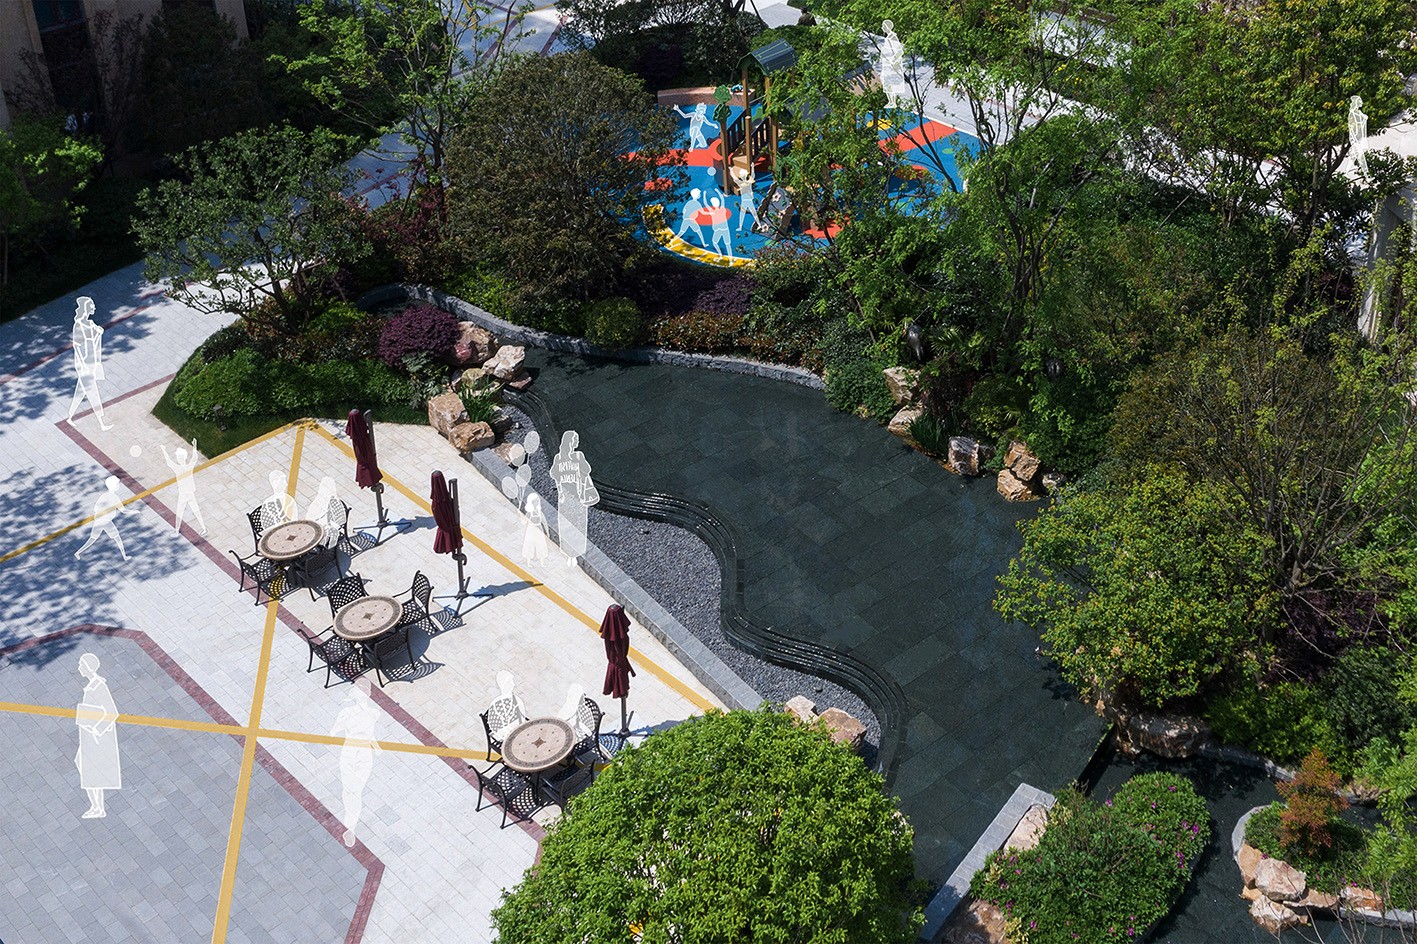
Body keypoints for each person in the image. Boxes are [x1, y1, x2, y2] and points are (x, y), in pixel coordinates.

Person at [330, 678, 382, 848]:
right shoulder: (346, 712)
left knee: (356, 790)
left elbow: (371, 734)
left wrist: (377, 748)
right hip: (349, 752)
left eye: (363, 690)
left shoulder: (374, 713)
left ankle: (350, 827)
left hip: (365, 753)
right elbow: (334, 731)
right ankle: (349, 824)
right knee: (348, 790)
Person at [75, 654, 121, 819]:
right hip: (89, 734)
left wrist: (97, 730)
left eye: (81, 665)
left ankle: (98, 807)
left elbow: (112, 712)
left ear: (88, 667)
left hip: (96, 737)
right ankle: (96, 806)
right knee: (84, 765)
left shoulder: (99, 686)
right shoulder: (92, 686)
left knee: (90, 769)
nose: (79, 668)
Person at [551, 431, 599, 566]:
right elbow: (585, 471)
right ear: (570, 442)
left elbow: (556, 475)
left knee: (572, 525)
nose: (577, 442)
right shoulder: (576, 456)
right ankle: (572, 554)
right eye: (575, 440)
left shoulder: (562, 457)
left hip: (570, 497)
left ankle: (572, 554)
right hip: (573, 497)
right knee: (574, 524)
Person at [67, 297, 114, 431]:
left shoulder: (90, 323)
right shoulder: (78, 325)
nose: (94, 307)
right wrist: (83, 366)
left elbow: (96, 337)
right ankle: (102, 423)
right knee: (92, 392)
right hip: (84, 364)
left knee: (80, 391)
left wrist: (99, 332)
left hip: (92, 361)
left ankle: (70, 417)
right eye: (92, 305)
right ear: (86, 308)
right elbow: (77, 346)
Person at [74, 476, 131, 560]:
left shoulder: (104, 495)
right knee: (117, 537)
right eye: (118, 484)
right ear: (115, 486)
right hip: (106, 521)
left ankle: (78, 552)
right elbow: (123, 510)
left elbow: (95, 508)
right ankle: (124, 556)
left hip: (99, 520)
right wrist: (135, 511)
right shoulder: (115, 497)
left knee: (92, 538)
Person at [161, 438, 207, 536]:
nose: (178, 458)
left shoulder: (178, 468)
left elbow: (169, 462)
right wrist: (194, 447)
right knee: (194, 510)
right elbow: (194, 458)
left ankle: (177, 531)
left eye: (179, 456)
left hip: (184, 493)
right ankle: (203, 528)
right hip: (188, 493)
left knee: (181, 512)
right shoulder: (188, 467)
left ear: (182, 457)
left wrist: (164, 450)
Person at [730, 167, 761, 233]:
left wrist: (731, 170)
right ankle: (759, 225)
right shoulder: (748, 182)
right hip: (749, 200)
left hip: (745, 200)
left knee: (743, 214)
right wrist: (752, 168)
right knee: (753, 213)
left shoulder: (741, 183)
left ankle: (740, 227)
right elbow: (753, 175)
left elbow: (734, 178)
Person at [522, 493, 550, 565]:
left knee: (540, 545)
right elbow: (524, 522)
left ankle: (542, 563)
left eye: (537, 501)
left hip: (536, 530)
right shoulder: (530, 513)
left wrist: (547, 532)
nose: (536, 503)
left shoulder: (539, 513)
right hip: (532, 530)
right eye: (535, 501)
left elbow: (544, 523)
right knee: (529, 545)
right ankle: (529, 562)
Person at [707, 195, 734, 261]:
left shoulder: (712, 212)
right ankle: (730, 259)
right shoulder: (722, 209)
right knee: (727, 245)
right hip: (725, 230)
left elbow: (706, 204)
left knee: (715, 242)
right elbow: (722, 200)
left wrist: (704, 195)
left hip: (719, 230)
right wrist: (718, 193)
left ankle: (720, 254)